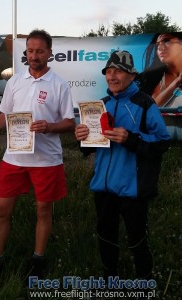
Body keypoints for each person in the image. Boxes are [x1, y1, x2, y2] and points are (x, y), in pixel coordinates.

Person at [0, 29, 76, 279]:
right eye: (30, 51)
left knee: (43, 212)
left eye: (39, 51)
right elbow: (4, 116)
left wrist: (49, 127)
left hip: (47, 160)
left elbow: (69, 123)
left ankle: (38, 259)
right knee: (2, 211)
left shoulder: (60, 85)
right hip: (14, 158)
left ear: (49, 53)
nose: (34, 55)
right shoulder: (15, 81)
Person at [75, 50, 171, 287]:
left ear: (131, 75)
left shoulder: (145, 104)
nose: (111, 76)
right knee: (106, 236)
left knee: (137, 238)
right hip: (103, 186)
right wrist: (82, 138)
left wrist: (132, 139)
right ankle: (110, 280)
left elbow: (162, 142)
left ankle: (144, 282)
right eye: (108, 71)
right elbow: (88, 149)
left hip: (132, 188)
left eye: (117, 71)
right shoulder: (100, 105)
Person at [137, 32, 182, 107]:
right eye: (158, 44)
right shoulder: (152, 78)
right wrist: (177, 82)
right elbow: (152, 108)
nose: (160, 48)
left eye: (167, 41)